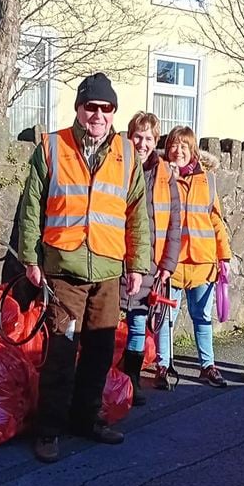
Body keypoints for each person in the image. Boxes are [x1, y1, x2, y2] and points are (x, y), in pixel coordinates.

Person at [18, 72, 150, 464]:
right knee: (61, 350)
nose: (98, 114)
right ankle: (49, 429)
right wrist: (29, 258)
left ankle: (87, 418)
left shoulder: (127, 154)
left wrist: (137, 264)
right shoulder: (52, 147)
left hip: (108, 270)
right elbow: (30, 208)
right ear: (78, 108)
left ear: (113, 113)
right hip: (64, 268)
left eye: (106, 108)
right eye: (91, 106)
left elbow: (137, 216)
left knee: (100, 349)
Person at [156, 125, 231, 389]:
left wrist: (225, 257)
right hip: (172, 263)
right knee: (165, 318)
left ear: (193, 150)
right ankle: (162, 365)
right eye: (174, 146)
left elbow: (216, 221)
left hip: (202, 262)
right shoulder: (160, 177)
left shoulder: (207, 180)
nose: (178, 151)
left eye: (184, 146)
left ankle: (207, 366)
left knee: (202, 317)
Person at [120, 112, 181, 405]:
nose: (142, 144)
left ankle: (130, 381)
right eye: (137, 137)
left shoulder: (167, 174)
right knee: (104, 324)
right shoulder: (116, 165)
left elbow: (174, 224)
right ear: (129, 136)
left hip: (149, 262)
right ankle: (107, 383)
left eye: (148, 139)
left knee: (137, 323)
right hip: (115, 257)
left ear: (156, 142)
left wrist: (168, 265)